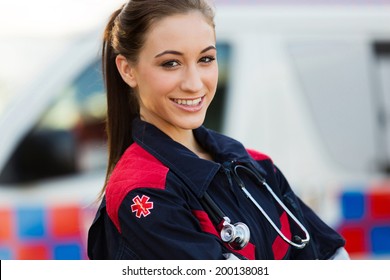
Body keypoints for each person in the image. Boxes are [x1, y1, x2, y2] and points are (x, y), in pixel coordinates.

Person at [87, 0, 349, 260]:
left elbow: (328, 254)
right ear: (127, 69)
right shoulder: (142, 190)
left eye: (206, 59)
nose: (194, 83)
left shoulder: (255, 165)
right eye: (171, 63)